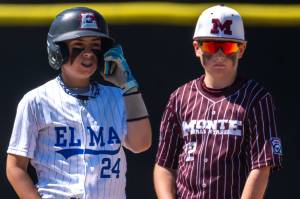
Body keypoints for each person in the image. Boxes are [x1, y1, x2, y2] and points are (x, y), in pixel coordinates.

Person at [6, 7, 152, 199]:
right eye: (78, 45)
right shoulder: (36, 100)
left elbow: (140, 144)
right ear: (57, 50)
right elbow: (15, 167)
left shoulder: (118, 96)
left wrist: (129, 87)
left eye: (95, 46)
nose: (89, 53)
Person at [154, 4, 283, 199]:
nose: (220, 55)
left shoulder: (257, 98)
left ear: (241, 49)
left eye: (229, 45)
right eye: (212, 46)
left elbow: (262, 167)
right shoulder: (179, 97)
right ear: (197, 48)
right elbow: (164, 165)